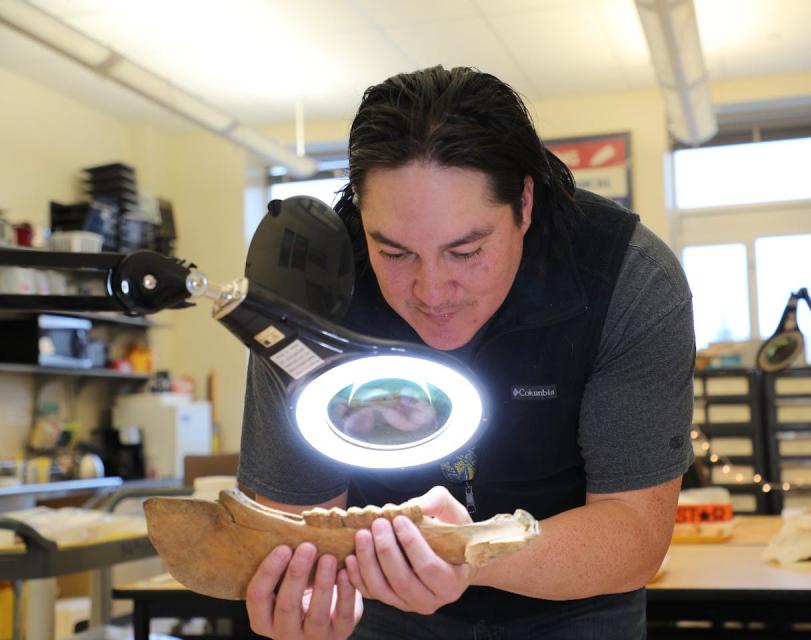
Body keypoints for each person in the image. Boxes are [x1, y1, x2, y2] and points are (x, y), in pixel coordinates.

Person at [238, 65, 695, 640]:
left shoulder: (626, 280)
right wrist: (303, 596)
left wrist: (472, 549)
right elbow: (296, 522)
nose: (431, 293)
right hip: (383, 599)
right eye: (395, 253)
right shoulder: (309, 292)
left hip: (577, 598)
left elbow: (634, 535)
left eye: (466, 251)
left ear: (524, 204)